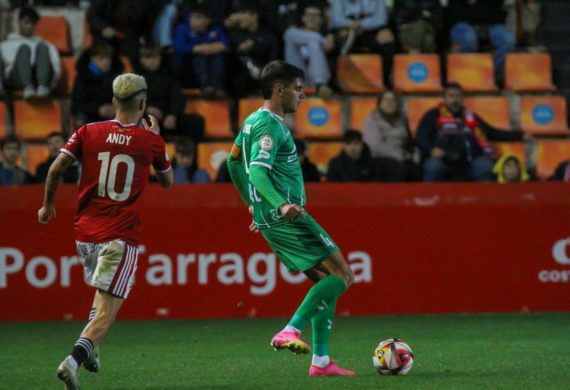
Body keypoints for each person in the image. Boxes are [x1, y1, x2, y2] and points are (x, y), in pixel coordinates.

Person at [37, 73, 173, 390]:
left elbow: (56, 168)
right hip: (120, 236)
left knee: (101, 296)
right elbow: (167, 182)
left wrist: (47, 205)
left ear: (113, 102)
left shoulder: (87, 131)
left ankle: (92, 351)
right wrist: (157, 140)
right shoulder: (150, 141)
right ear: (142, 103)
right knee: (108, 311)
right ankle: (72, 361)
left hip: (84, 235)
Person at [226, 60, 355, 376]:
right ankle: (290, 331)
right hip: (287, 217)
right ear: (279, 89)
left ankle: (321, 362)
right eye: (298, 89)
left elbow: (233, 163)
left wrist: (252, 206)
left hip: (270, 216)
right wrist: (280, 205)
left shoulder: (251, 121)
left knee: (326, 281)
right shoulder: (270, 125)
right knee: (343, 275)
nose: (303, 95)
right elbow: (256, 171)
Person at [417, 82, 523, 182]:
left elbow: (491, 132)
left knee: (486, 166)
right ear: (444, 98)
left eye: (458, 96)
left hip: (468, 163)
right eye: (451, 96)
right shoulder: (432, 115)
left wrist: (520, 135)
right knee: (433, 167)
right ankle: (430, 201)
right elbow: (420, 137)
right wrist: (431, 150)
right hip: (442, 161)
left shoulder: (470, 117)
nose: (455, 100)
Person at [137, 45, 205, 141]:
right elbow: (132, 102)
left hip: (167, 119)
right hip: (146, 119)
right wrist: (147, 109)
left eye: (155, 57)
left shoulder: (168, 77)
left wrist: (172, 114)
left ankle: (188, 153)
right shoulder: (135, 80)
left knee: (197, 121)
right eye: (148, 57)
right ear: (142, 60)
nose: (152, 61)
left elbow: (178, 98)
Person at [329, 0, 395, 87]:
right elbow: (336, 20)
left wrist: (361, 24)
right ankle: (335, 82)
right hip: (346, 30)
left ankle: (385, 80)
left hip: (370, 30)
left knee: (386, 41)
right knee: (332, 43)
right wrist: (348, 24)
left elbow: (381, 19)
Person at [0, 6, 61, 99]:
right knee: (24, 49)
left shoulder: (44, 44)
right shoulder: (6, 44)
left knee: (42, 48)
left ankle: (42, 87)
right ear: (19, 22)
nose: (29, 26)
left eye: (32, 23)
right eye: (26, 22)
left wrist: (53, 83)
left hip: (39, 77)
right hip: (17, 78)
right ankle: (27, 87)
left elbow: (56, 64)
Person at [362, 90, 421, 182]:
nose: (389, 103)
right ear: (379, 103)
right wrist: (399, 155)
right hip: (380, 158)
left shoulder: (402, 118)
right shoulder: (372, 119)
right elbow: (376, 146)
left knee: (417, 169)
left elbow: (408, 141)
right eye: (386, 100)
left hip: (402, 157)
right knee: (397, 169)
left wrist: (413, 155)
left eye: (393, 100)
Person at [173, 4, 231, 95]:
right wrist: (197, 48)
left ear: (208, 20)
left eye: (198, 18)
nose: (193, 21)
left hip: (212, 60)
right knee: (199, 57)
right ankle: (206, 85)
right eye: (192, 17)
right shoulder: (182, 28)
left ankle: (218, 87)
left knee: (217, 57)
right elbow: (178, 48)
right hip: (189, 64)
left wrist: (207, 48)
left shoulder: (215, 28)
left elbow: (226, 45)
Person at [448, 0, 516, 73]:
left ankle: (488, 72)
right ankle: (466, 70)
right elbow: (452, 14)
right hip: (462, 23)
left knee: (508, 39)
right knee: (469, 39)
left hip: (491, 24)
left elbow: (499, 11)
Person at [283, 2, 335, 98]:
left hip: (321, 81)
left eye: (315, 15)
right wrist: (319, 39)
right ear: (303, 18)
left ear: (322, 19)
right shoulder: (297, 35)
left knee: (314, 42)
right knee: (289, 34)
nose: (311, 18)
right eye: (309, 15)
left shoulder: (329, 37)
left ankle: (320, 86)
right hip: (300, 81)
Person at [227, 3, 279, 98]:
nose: (239, 17)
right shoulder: (235, 35)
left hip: (265, 75)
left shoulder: (268, 36)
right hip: (243, 78)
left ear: (254, 16)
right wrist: (239, 50)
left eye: (243, 13)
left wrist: (262, 70)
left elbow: (273, 59)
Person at [71, 42, 124, 127]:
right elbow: (77, 104)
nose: (106, 62)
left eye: (109, 58)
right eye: (102, 58)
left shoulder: (118, 77)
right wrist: (97, 109)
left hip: (113, 115)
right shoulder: (82, 77)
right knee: (80, 119)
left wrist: (115, 108)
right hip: (90, 116)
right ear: (92, 59)